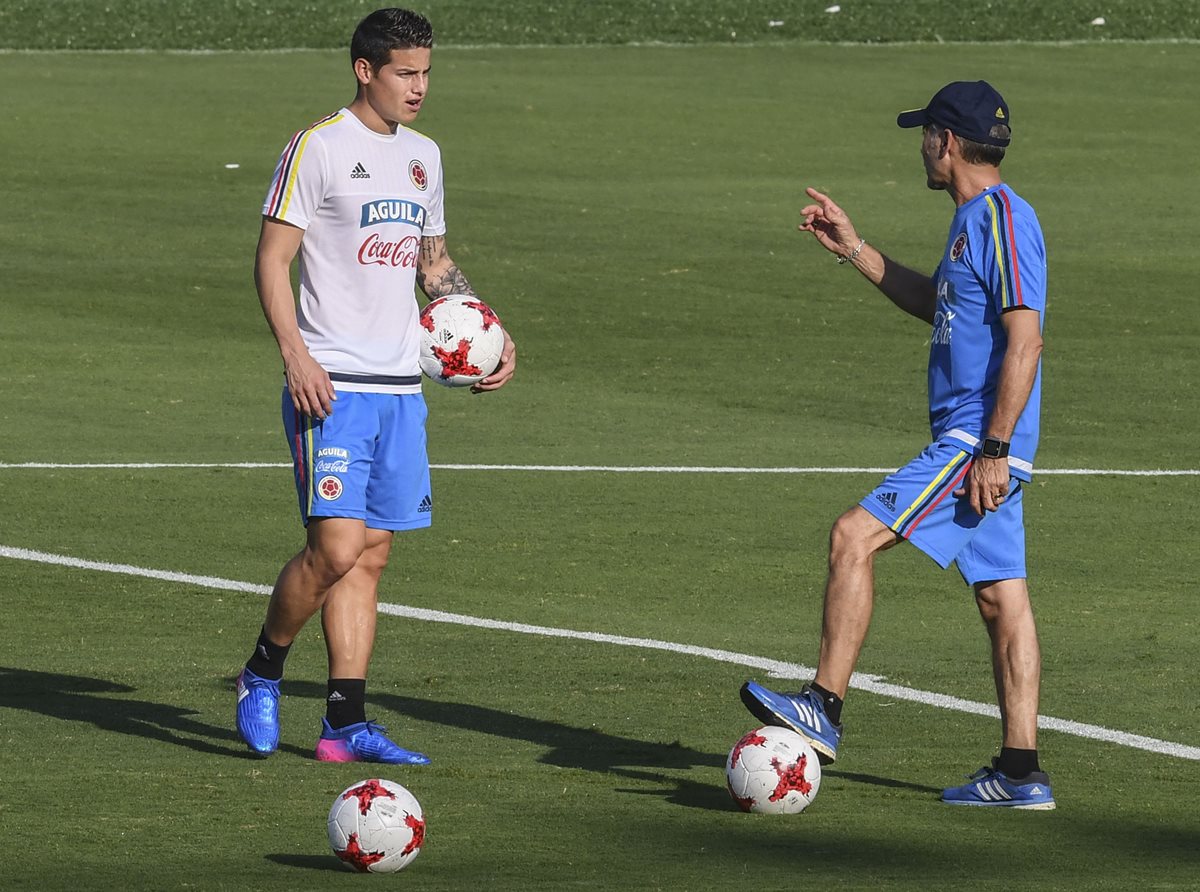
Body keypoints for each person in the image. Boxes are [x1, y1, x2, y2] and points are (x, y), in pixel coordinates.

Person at [740, 81, 1053, 808]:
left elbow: (1026, 340)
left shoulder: (1004, 219)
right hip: (981, 439)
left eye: (926, 134)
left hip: (977, 439)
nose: (921, 145)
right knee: (1002, 600)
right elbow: (934, 302)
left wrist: (994, 448)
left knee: (853, 535)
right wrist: (855, 250)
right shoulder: (974, 221)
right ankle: (1019, 772)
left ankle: (823, 704)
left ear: (947, 141)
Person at [235, 7, 517, 764]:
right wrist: (296, 356)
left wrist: (487, 331)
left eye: (426, 72)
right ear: (366, 70)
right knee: (333, 550)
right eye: (405, 72)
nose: (419, 87)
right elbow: (271, 260)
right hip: (332, 382)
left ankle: (343, 724)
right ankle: (261, 671)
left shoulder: (424, 156)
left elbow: (433, 265)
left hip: (400, 388)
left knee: (372, 555)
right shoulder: (317, 147)